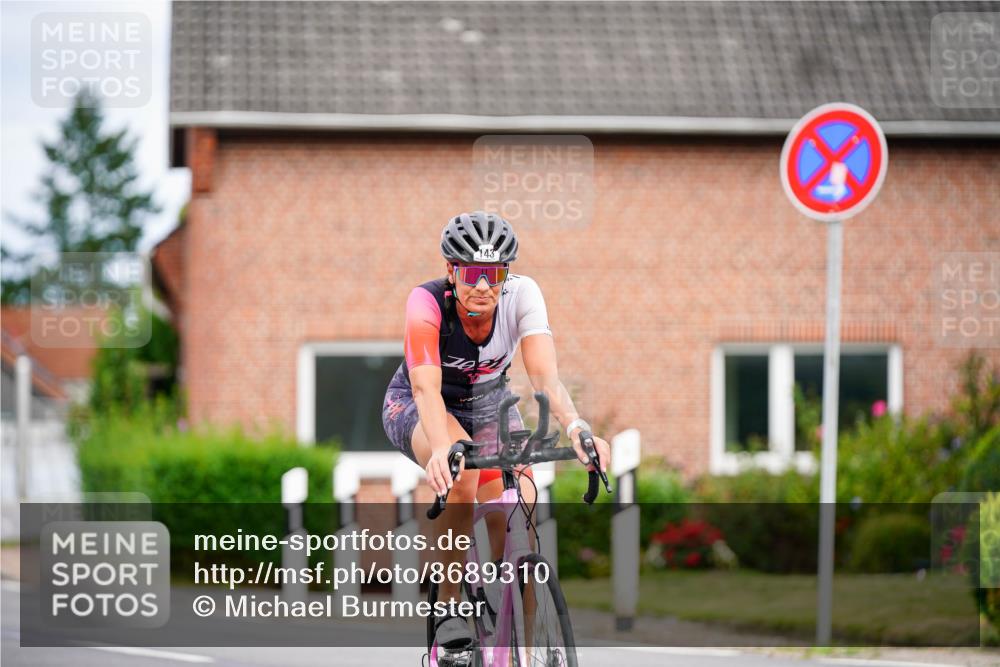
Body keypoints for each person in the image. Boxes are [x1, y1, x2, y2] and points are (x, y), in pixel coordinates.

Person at [382, 211, 611, 652]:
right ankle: (448, 607)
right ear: (452, 270)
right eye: (472, 274)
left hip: (487, 402)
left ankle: (527, 646)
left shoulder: (523, 295)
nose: (484, 286)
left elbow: (546, 379)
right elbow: (426, 388)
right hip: (419, 403)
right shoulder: (425, 303)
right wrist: (442, 448)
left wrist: (578, 429)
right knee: (463, 470)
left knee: (521, 498)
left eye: (495, 274)